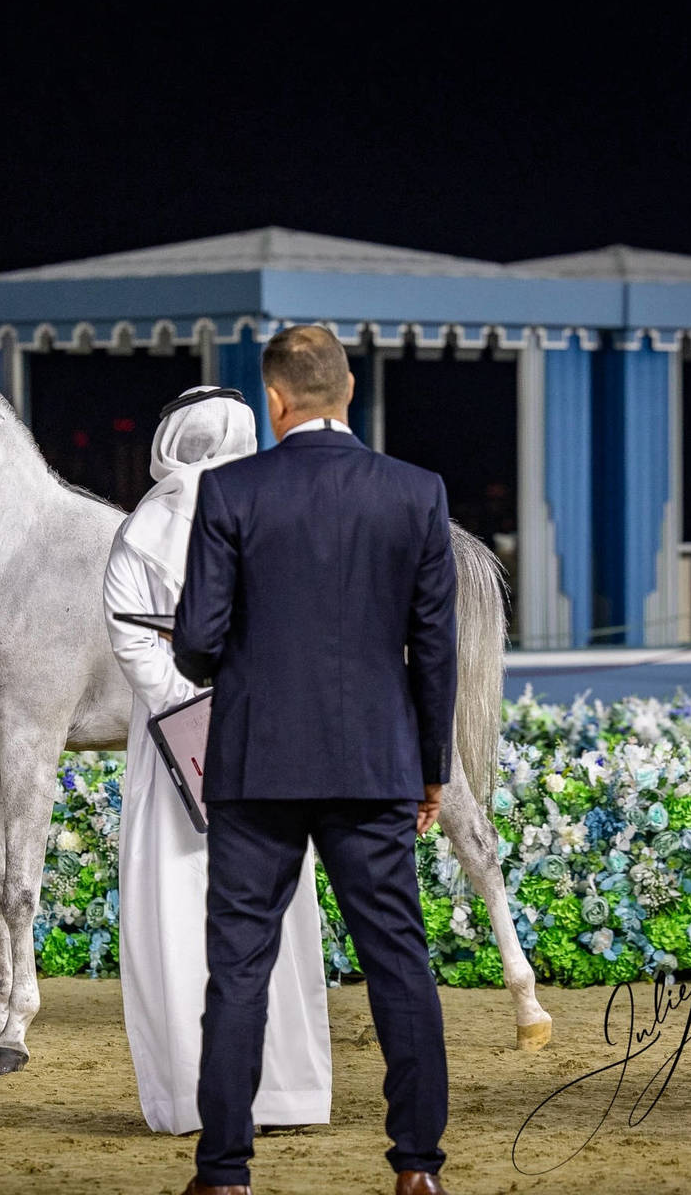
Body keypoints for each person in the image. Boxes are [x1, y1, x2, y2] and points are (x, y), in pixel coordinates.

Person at [172, 325, 459, 1195]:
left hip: (257, 767)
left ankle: (224, 1173)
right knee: (398, 965)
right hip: (376, 763)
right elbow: (435, 648)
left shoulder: (229, 491)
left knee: (240, 972)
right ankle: (416, 1168)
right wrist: (431, 765)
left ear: (277, 401)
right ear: (349, 396)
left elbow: (197, 643)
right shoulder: (416, 494)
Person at [103, 386, 331, 1134]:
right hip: (266, 730)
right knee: (269, 905)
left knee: (174, 906)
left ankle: (198, 1096)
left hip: (177, 742)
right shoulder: (273, 511)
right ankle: (283, 1093)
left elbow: (133, 642)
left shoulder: (140, 529)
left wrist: (190, 711)